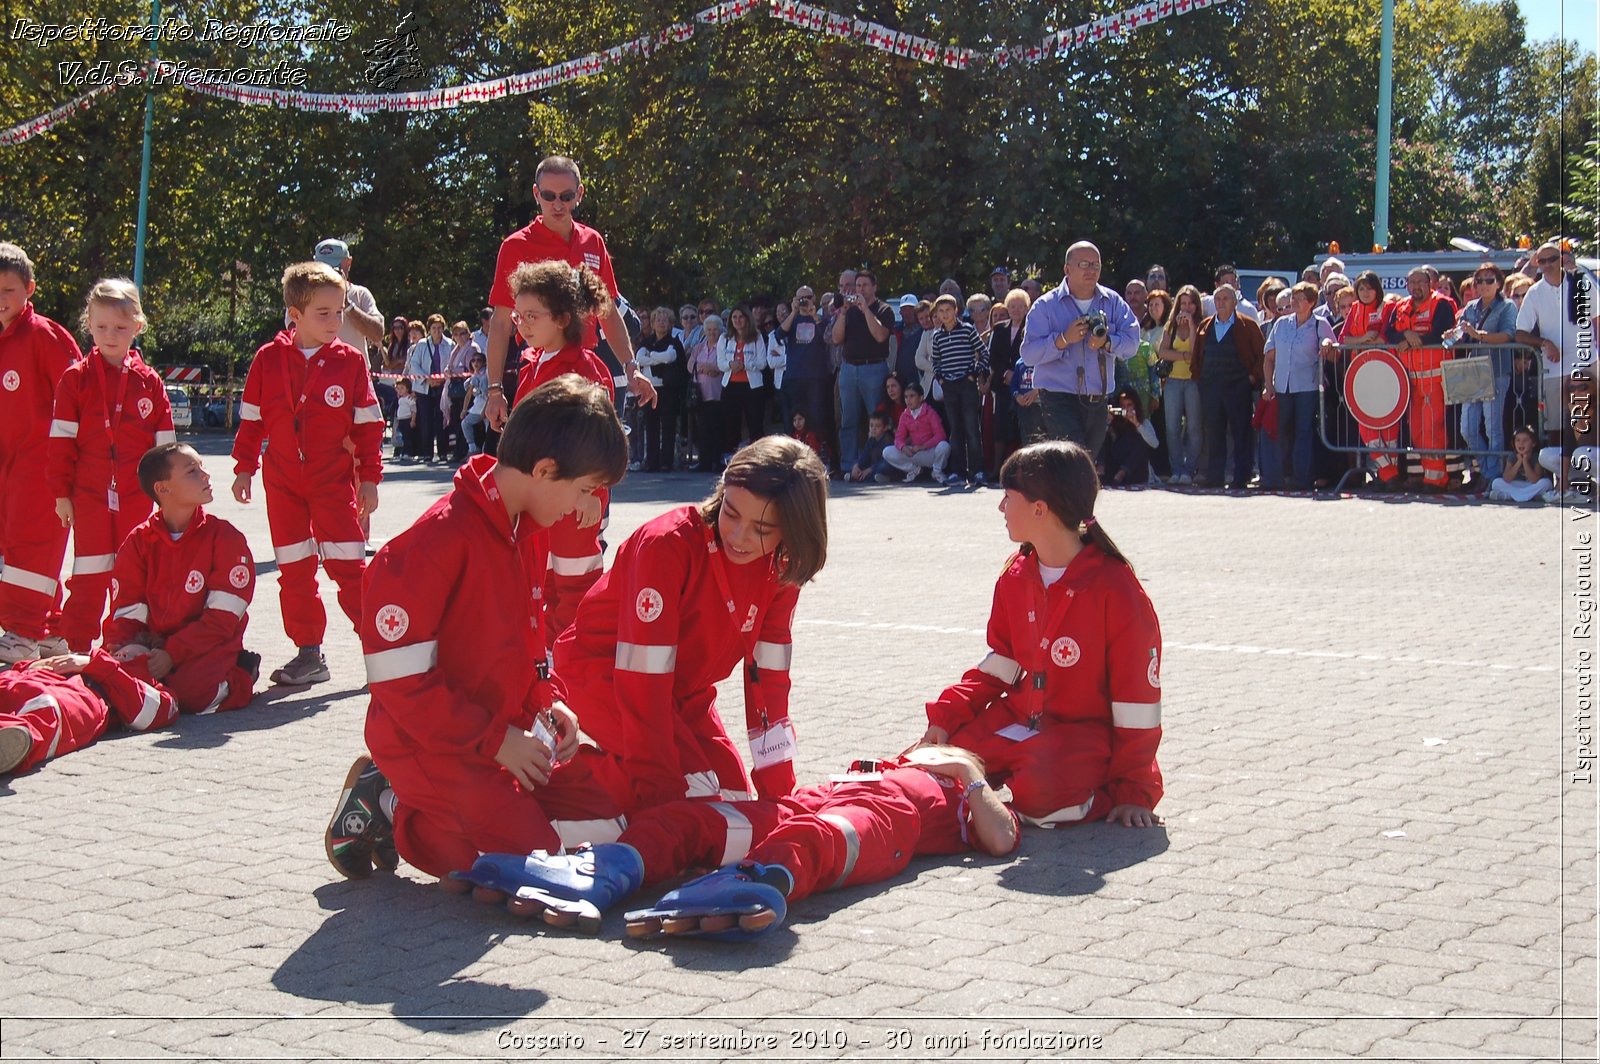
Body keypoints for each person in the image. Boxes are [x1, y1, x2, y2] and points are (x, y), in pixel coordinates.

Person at [323, 377, 630, 881]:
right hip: (430, 743)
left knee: (613, 821)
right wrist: (496, 741)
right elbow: (401, 689)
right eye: (585, 489)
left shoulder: (524, 528)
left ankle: (460, 807)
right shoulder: (433, 545)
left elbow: (529, 650)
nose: (583, 506)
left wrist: (548, 700)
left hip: (497, 732)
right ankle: (389, 803)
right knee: (528, 868)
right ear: (545, 470)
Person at [452, 744, 1019, 939]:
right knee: (694, 820)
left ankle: (758, 881)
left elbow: (1002, 838)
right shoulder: (912, 754)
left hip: (893, 816)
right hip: (817, 795)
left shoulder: (963, 789)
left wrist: (969, 773)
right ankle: (601, 872)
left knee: (821, 837)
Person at [551, 437, 829, 814]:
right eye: (731, 513)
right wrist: (661, 788)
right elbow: (642, 683)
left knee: (734, 802)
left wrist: (779, 793)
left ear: (793, 531)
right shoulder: (666, 545)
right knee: (692, 799)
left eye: (762, 529)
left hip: (682, 695)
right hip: (605, 678)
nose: (738, 536)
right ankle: (542, 790)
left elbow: (769, 685)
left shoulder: (782, 570)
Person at [920, 441, 1163, 829]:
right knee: (928, 766)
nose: (1000, 508)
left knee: (1038, 795)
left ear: (1039, 509)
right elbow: (1001, 662)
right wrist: (949, 715)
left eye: (1007, 497)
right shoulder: (1015, 576)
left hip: (1079, 737)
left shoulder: (1116, 589)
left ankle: (1083, 792)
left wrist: (1133, 790)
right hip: (1018, 723)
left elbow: (1138, 701)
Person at [231, 261, 383, 686]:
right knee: (295, 569)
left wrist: (369, 477)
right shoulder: (267, 359)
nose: (336, 321)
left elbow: (368, 426)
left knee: (350, 567)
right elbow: (252, 421)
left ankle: (383, 650)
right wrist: (243, 468)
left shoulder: (350, 362)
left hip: (333, 485)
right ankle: (308, 653)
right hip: (281, 485)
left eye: (340, 311)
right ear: (294, 316)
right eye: (325, 313)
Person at [48, 279, 176, 652]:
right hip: (87, 495)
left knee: (134, 572)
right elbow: (60, 445)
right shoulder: (75, 380)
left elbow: (166, 447)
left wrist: (168, 495)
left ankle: (125, 642)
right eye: (101, 326)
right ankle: (77, 644)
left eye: (120, 328)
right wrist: (60, 493)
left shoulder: (149, 382)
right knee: (89, 572)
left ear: (138, 327)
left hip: (137, 497)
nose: (110, 335)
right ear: (88, 324)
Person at [483, 155, 653, 432]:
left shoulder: (592, 241)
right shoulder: (515, 245)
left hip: (587, 366)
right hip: (541, 365)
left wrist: (631, 367)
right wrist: (493, 391)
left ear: (579, 194)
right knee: (540, 460)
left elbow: (607, 312)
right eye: (549, 196)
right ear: (536, 194)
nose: (558, 204)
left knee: (593, 460)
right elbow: (501, 324)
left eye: (566, 195)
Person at [506, 261, 618, 638]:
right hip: (537, 503)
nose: (522, 324)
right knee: (542, 581)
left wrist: (592, 493)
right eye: (519, 315)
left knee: (576, 582)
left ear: (562, 318)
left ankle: (573, 657)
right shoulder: (529, 367)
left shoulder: (586, 369)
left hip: (574, 503)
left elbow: (601, 439)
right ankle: (547, 654)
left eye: (532, 315)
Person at [104, 443, 259, 713]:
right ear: (163, 489)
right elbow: (126, 611)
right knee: (113, 681)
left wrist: (172, 654)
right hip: (154, 645)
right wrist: (123, 650)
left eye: (202, 467)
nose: (206, 475)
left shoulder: (226, 539)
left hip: (207, 645)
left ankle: (242, 673)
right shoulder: (139, 542)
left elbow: (221, 621)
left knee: (193, 695)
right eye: (192, 471)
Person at [0, 243, 83, 664]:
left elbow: (77, 396)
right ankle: (50, 631)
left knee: (30, 545)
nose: (0, 300)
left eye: (7, 290)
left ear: (29, 289)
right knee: (13, 547)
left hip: (40, 463)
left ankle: (20, 633)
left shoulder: (45, 336)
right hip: (5, 462)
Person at [1017, 241, 1140, 458]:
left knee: (1086, 459)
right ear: (1067, 269)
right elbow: (1028, 353)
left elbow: (1132, 342)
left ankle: (1065, 492)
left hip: (1097, 396)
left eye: (1096, 264)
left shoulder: (1113, 302)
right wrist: (1063, 339)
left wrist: (1107, 342)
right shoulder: (1046, 305)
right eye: (1084, 264)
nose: (1092, 270)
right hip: (1058, 395)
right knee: (1076, 457)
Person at [0, 648, 178, 776]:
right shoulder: (85, 657)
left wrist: (97, 664)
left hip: (86, 693)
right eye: (120, 653)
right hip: (33, 678)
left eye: (134, 655)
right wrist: (30, 666)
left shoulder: (152, 686)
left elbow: (151, 711)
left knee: (49, 714)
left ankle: (10, 739)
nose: (122, 656)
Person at [1382, 266, 1457, 491]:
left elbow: (1443, 331)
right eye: (1411, 282)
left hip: (1435, 379)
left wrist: (1417, 339)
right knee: (1416, 431)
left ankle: (1437, 479)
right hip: (1411, 381)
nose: (1416, 286)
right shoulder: (1401, 307)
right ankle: (1429, 474)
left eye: (1420, 282)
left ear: (1430, 284)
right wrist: (1405, 335)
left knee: (1433, 429)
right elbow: (1389, 333)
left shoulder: (1441, 304)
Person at [1263, 282, 1336, 489]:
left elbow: (1333, 352)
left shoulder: (1319, 324)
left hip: (1307, 386)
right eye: (1293, 298)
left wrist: (1327, 344)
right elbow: (1269, 357)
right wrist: (1269, 385)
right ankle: (1281, 475)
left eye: (1300, 298)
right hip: (1282, 387)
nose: (1294, 302)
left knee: (1303, 431)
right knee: (1282, 431)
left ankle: (1302, 478)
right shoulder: (1281, 324)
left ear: (1312, 302)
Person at [1516, 241, 1586, 451]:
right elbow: (1520, 333)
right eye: (1542, 260)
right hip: (1553, 370)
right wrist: (1545, 343)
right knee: (1556, 430)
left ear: (1562, 259)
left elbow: (1597, 320)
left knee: (1585, 426)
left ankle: (1584, 478)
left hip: (1586, 365)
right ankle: (1561, 481)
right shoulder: (1535, 293)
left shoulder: (1581, 283)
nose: (1547, 264)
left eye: (1552, 259)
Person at [1193, 285, 1265, 489]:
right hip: (1211, 388)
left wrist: (1252, 378)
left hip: (1238, 387)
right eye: (1218, 299)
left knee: (1241, 432)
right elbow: (1198, 355)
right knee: (1214, 433)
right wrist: (1200, 380)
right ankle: (1214, 476)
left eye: (1226, 299)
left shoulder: (1248, 325)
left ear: (1235, 302)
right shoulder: (1205, 326)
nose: (1221, 302)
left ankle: (1241, 476)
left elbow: (1261, 355)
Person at [1456, 263, 1519, 484]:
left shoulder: (1507, 306)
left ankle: (1493, 476)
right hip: (1473, 371)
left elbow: (1508, 335)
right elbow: (1460, 335)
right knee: (1467, 428)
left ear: (1499, 283)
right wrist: (1453, 334)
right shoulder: (1470, 307)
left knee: (1493, 427)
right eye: (1479, 280)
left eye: (1489, 280)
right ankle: (1487, 470)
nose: (1483, 285)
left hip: (1497, 370)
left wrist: (1479, 335)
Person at [830, 269, 896, 471]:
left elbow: (880, 336)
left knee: (876, 419)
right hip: (849, 369)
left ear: (874, 287)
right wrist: (843, 312)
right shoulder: (848, 311)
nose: (860, 289)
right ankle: (849, 464)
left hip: (874, 368)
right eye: (857, 286)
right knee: (848, 420)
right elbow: (836, 338)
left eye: (865, 285)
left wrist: (866, 310)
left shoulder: (884, 310)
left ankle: (878, 464)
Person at [928, 294, 991, 486]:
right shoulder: (937, 335)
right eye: (941, 311)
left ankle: (977, 471)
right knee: (955, 430)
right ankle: (958, 471)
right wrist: (941, 379)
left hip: (967, 385)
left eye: (948, 310)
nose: (945, 315)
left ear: (956, 311)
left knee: (972, 428)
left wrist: (974, 373)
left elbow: (984, 353)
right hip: (949, 387)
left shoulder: (967, 330)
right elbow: (935, 361)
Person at [776, 288, 833, 467]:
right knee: (795, 418)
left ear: (814, 298)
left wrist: (814, 314)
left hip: (816, 376)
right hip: (795, 375)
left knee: (816, 415)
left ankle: (818, 453)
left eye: (807, 298)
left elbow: (827, 336)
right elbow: (779, 334)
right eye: (801, 299)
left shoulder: (820, 318)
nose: (804, 302)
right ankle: (793, 455)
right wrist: (793, 311)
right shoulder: (792, 319)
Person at [1157, 286, 1204, 485]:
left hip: (1193, 380)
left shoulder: (1202, 324)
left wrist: (1192, 326)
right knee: (1172, 427)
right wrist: (1183, 356)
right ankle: (1176, 469)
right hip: (1173, 381)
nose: (1186, 307)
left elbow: (1196, 352)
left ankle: (1189, 469)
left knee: (1194, 427)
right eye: (1183, 303)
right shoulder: (1171, 326)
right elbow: (1162, 352)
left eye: (1190, 303)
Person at [637, 308, 687, 472]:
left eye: (665, 320)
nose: (661, 323)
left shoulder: (674, 342)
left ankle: (666, 462)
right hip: (650, 389)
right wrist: (658, 358)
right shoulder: (646, 342)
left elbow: (670, 357)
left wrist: (651, 356)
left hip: (668, 390)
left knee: (668, 426)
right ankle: (652, 462)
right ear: (652, 323)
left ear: (670, 324)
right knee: (651, 426)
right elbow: (639, 359)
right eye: (658, 320)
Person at [717, 306, 770, 455]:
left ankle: (758, 459)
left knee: (755, 424)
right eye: (734, 317)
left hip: (752, 387)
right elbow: (720, 362)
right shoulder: (725, 338)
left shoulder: (757, 337)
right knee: (731, 424)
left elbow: (762, 362)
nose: (738, 320)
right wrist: (730, 364)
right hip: (730, 386)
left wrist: (745, 365)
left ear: (747, 319)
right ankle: (730, 457)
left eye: (741, 317)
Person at [883, 380, 951, 483]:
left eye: (912, 396)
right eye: (906, 397)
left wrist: (923, 446)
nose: (908, 400)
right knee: (887, 452)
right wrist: (903, 447)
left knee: (944, 446)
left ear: (921, 398)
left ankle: (937, 471)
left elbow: (940, 435)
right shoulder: (905, 415)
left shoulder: (930, 412)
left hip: (930, 452)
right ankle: (914, 469)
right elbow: (898, 438)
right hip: (914, 453)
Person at [1100, 387, 1158, 487]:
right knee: (1104, 437)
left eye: (1129, 405)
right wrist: (1108, 422)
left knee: (1139, 440)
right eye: (1122, 406)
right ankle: (1101, 471)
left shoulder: (1143, 422)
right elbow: (1101, 441)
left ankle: (1122, 473)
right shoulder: (1114, 422)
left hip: (1135, 470)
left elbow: (1155, 444)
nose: (1126, 409)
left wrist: (1137, 424)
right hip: (1115, 464)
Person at [689, 314, 725, 473]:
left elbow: (723, 366)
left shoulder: (723, 346)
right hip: (701, 394)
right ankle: (704, 461)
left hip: (717, 393)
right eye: (709, 329)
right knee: (702, 429)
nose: (712, 332)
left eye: (715, 330)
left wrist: (713, 368)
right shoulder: (699, 347)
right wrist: (704, 367)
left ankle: (717, 461)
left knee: (717, 428)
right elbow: (690, 366)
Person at [442, 321, 479, 463]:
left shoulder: (472, 348)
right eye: (456, 334)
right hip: (455, 391)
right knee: (456, 422)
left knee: (465, 421)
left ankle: (465, 451)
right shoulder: (455, 350)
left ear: (468, 334)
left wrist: (457, 372)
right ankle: (458, 451)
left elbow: (472, 368)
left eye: (463, 333)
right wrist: (448, 371)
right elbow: (450, 366)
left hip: (467, 390)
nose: (460, 337)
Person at [1488, 427, 1553, 502]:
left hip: (1530, 485)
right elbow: (1507, 478)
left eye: (1525, 440)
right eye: (1517, 440)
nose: (1521, 443)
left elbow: (1535, 480)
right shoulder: (1512, 456)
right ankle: (1528, 496)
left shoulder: (1536, 456)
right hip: (1515, 485)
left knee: (1547, 483)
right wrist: (1519, 462)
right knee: (1496, 483)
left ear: (1533, 443)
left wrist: (1525, 461)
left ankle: (1510, 496)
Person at [847, 411, 894, 483]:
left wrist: (870, 469)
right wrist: (857, 466)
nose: (873, 429)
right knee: (854, 462)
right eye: (871, 425)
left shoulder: (888, 440)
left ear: (885, 428)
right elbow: (864, 456)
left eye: (877, 426)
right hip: (872, 466)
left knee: (884, 466)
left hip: (882, 466)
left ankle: (885, 478)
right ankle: (858, 475)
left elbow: (886, 460)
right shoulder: (871, 440)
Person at [460, 352, 491, 457]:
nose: (476, 363)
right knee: (465, 423)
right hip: (477, 406)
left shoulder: (486, 376)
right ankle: (472, 448)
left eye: (479, 360)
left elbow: (489, 395)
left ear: (484, 362)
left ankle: (486, 452)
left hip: (487, 405)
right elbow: (468, 394)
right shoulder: (474, 376)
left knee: (489, 431)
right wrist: (464, 410)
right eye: (473, 360)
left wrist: (484, 411)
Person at [392, 377, 417, 461]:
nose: (400, 390)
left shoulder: (409, 399)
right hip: (401, 420)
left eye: (402, 388)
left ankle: (409, 453)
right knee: (402, 437)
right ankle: (403, 451)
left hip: (407, 419)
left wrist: (413, 420)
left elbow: (414, 410)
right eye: (398, 388)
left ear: (407, 389)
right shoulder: (400, 399)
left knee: (408, 437)